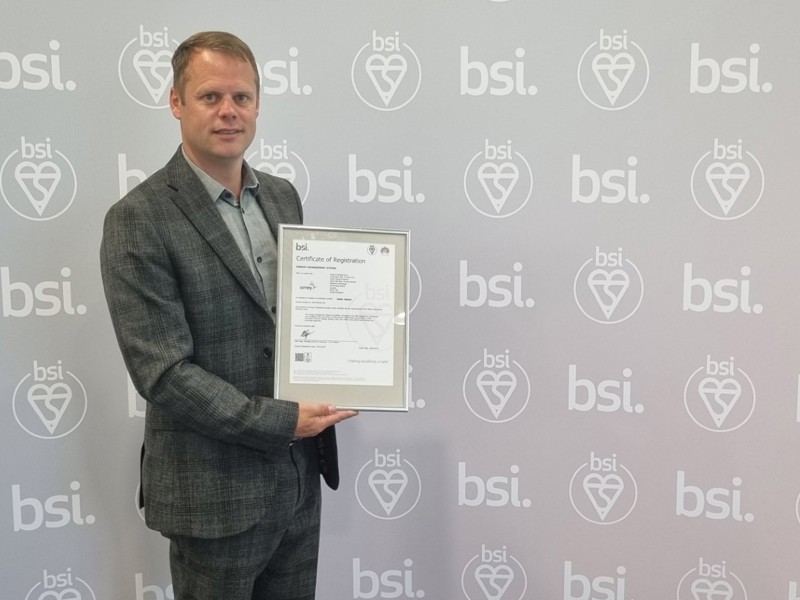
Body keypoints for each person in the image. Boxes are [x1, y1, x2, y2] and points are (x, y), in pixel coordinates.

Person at [100, 31, 357, 599]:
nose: (228, 111)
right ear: (176, 102)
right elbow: (163, 372)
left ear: (258, 105)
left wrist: (355, 361)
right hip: (212, 494)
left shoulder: (283, 197)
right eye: (210, 96)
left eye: (241, 97)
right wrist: (280, 421)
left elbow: (307, 319)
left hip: (299, 481)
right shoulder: (138, 218)